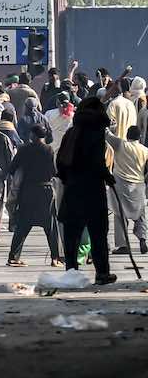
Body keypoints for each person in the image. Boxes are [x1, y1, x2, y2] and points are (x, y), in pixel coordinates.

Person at [56, 96, 116, 284]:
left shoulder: (71, 132)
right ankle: (102, 273)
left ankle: (71, 272)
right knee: (98, 234)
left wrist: (68, 180)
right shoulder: (96, 133)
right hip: (92, 190)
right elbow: (97, 161)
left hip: (73, 189)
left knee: (72, 234)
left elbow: (60, 161)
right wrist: (107, 176)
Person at [6, 125, 63, 267]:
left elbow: (12, 169)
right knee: (50, 227)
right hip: (45, 191)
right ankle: (55, 258)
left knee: (22, 225)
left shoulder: (24, 149)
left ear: (32, 135)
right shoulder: (49, 150)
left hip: (27, 191)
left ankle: (13, 257)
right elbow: (54, 171)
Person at [105, 125, 148, 255]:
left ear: (127, 135)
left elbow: (107, 135)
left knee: (120, 214)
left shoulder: (121, 144)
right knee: (140, 215)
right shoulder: (145, 150)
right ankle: (143, 239)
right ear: (139, 137)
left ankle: (123, 245)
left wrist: (109, 125)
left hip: (121, 185)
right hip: (138, 186)